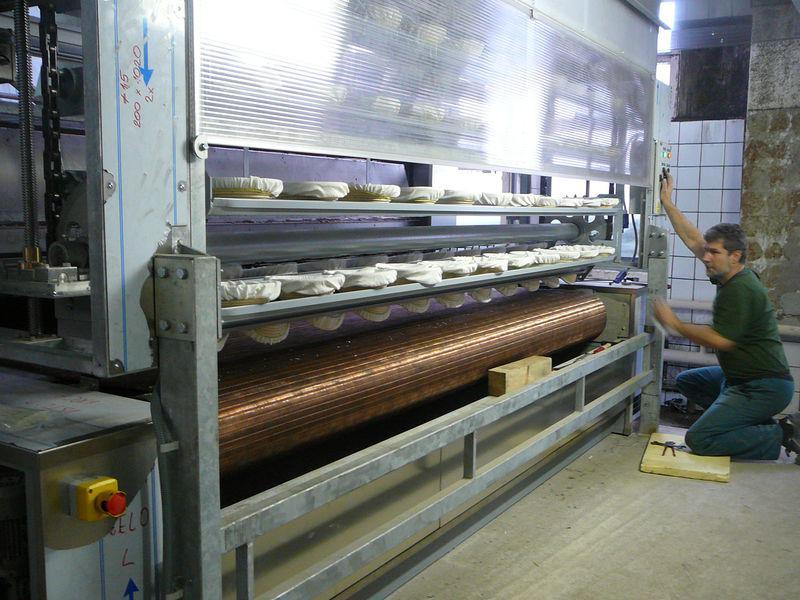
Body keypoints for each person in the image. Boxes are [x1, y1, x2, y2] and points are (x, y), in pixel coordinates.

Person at [652, 170, 798, 460]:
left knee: (700, 439)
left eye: (714, 253)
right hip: (736, 378)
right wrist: (667, 203)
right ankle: (740, 421)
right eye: (708, 251)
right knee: (688, 381)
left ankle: (781, 434)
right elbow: (694, 239)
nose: (706, 257)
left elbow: (721, 340)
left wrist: (675, 324)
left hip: (762, 386)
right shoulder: (729, 273)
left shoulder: (740, 289)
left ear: (735, 255)